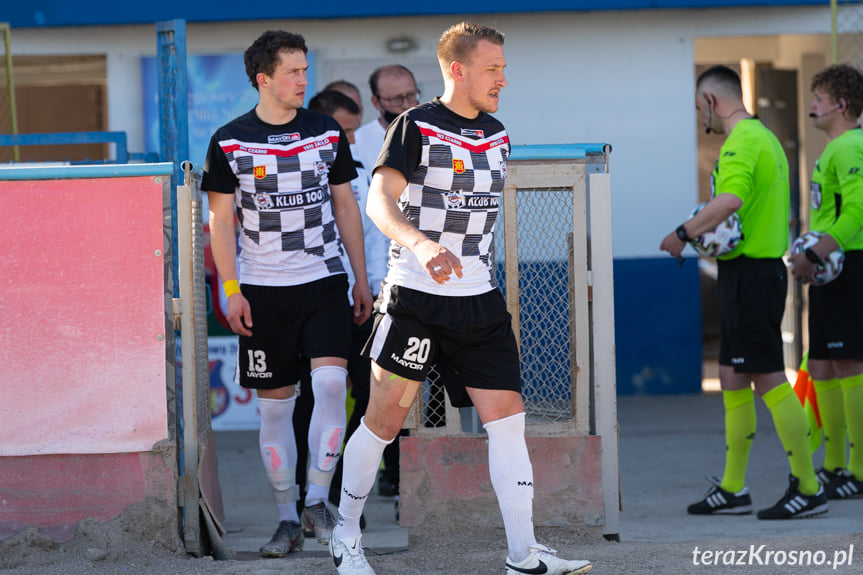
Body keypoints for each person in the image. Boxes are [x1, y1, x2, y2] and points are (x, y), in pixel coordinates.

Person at [328, 22, 593, 575]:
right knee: (382, 421)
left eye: (503, 67)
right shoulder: (414, 125)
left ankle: (523, 554)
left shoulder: (498, 133)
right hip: (416, 300)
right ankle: (345, 537)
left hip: (480, 303)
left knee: (508, 421)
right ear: (458, 69)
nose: (503, 78)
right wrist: (423, 247)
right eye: (492, 68)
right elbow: (379, 203)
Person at [201, 30, 373, 558]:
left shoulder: (324, 131)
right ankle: (286, 519)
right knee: (275, 411)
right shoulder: (229, 139)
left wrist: (360, 278)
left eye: (305, 69)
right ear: (264, 79)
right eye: (294, 72)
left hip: (323, 281)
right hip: (261, 287)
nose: (304, 80)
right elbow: (220, 220)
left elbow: (346, 206)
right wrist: (231, 290)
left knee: (328, 387)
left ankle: (317, 502)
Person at [660, 64, 828, 520]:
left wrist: (683, 232)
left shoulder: (742, 142)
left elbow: (729, 201)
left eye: (700, 108)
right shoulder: (766, 138)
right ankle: (734, 488)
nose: (701, 119)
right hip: (744, 274)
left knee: (770, 377)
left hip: (754, 276)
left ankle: (809, 487)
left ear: (712, 102)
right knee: (733, 378)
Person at [789, 63, 863, 500]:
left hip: (848, 263)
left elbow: (857, 212)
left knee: (849, 363)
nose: (811, 105)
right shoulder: (833, 149)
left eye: (818, 98)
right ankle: (835, 463)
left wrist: (815, 253)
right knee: (820, 366)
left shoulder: (850, 147)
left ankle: (856, 468)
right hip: (829, 268)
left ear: (841, 104)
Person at [353, 64, 422, 500]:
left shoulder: (433, 131)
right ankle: (389, 475)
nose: (404, 106)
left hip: (425, 280)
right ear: (376, 102)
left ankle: (419, 480)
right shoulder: (356, 145)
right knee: (377, 392)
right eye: (394, 101)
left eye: (410, 96)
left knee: (425, 392)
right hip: (372, 287)